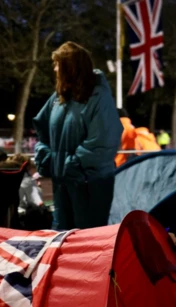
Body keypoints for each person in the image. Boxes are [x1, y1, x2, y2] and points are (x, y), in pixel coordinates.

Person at [34, 41, 122, 230]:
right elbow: (42, 130)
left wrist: (71, 164)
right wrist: (46, 155)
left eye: (59, 64)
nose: (55, 69)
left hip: (90, 186)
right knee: (62, 237)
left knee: (86, 241)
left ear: (71, 67)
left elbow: (103, 142)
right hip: (63, 183)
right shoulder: (58, 98)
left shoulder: (98, 97)